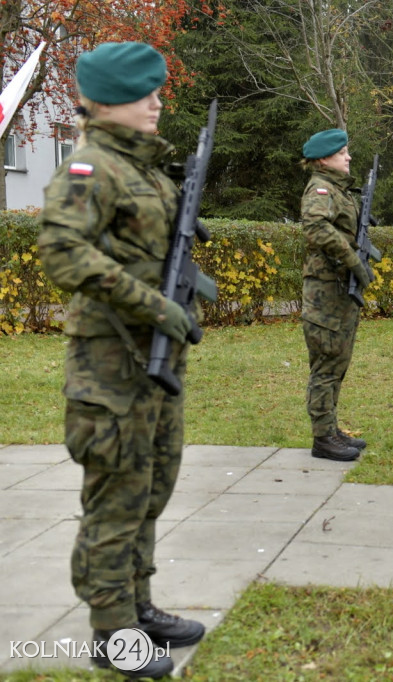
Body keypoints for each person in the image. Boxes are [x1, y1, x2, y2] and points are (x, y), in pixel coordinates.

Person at [37, 41, 206, 677]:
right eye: (145, 93)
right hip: (109, 368)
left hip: (153, 366)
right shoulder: (89, 170)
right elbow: (62, 254)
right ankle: (114, 634)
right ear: (108, 101)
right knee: (114, 499)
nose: (158, 102)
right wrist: (155, 307)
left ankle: (139, 604)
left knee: (152, 488)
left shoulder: (143, 169)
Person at [299, 129, 373, 462]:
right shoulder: (321, 188)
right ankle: (322, 438)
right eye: (343, 152)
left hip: (337, 290)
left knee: (338, 361)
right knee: (327, 362)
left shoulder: (338, 190)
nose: (349, 157)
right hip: (325, 291)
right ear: (325, 158)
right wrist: (352, 259)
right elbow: (315, 227)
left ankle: (331, 429)